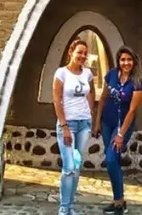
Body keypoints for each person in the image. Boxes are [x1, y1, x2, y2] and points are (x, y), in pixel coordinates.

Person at [93, 47, 142, 215]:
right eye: (123, 60)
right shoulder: (111, 74)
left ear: (134, 61)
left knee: (110, 159)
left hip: (123, 125)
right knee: (113, 161)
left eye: (129, 60)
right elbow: (103, 98)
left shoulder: (138, 82)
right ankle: (119, 202)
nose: (126, 63)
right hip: (107, 122)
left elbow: (132, 111)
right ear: (119, 61)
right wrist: (97, 122)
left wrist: (121, 134)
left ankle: (119, 201)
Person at [52, 39, 96, 215]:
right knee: (69, 166)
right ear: (71, 52)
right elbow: (56, 100)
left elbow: (91, 92)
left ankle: (70, 207)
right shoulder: (61, 73)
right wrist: (64, 126)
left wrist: (90, 111)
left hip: (84, 123)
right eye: (79, 52)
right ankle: (63, 207)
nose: (83, 56)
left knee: (76, 166)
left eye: (85, 53)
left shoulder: (88, 74)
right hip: (67, 124)